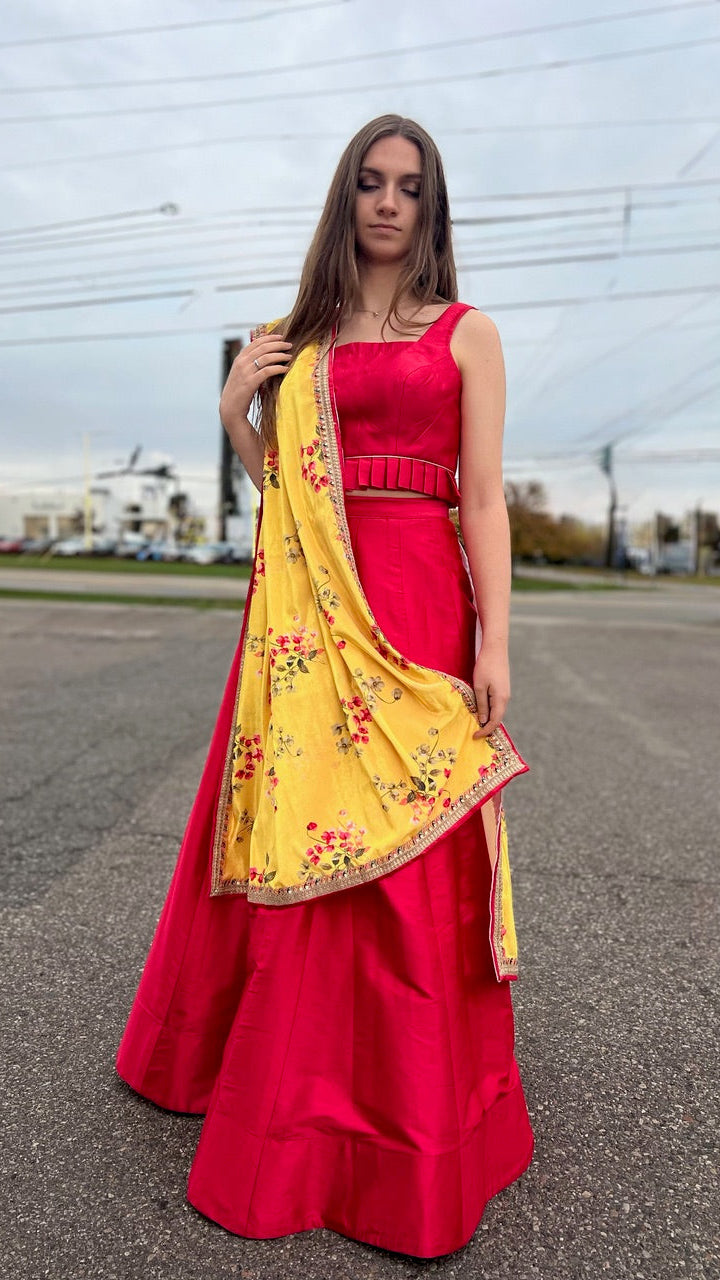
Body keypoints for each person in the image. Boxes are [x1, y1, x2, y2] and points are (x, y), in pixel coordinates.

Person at [115, 113, 534, 1259]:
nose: (389, 202)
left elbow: (484, 496)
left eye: (409, 186)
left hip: (416, 600)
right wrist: (235, 419)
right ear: (346, 198)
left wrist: (496, 641)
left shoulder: (468, 332)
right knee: (303, 833)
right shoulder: (294, 339)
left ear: (431, 206)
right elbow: (292, 505)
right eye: (369, 182)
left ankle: (408, 1118)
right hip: (306, 618)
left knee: (408, 844)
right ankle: (277, 1092)